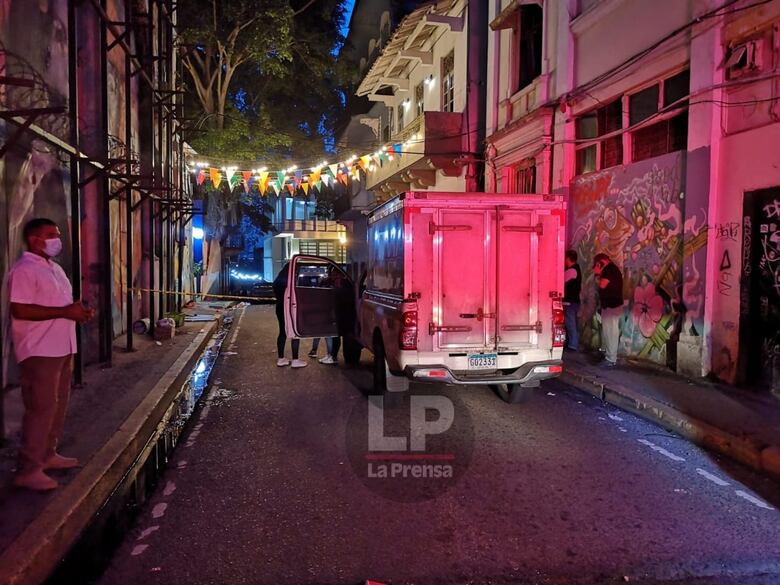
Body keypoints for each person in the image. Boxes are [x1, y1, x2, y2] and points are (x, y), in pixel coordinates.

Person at [8, 218, 95, 491]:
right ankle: (28, 468)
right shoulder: (23, 270)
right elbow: (20, 310)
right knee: (41, 408)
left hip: (62, 346)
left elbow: (63, 305)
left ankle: (47, 454)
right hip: (39, 350)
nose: (57, 240)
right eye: (50, 235)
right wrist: (65, 312)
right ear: (34, 239)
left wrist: (79, 312)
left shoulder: (54, 269)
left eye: (57, 235)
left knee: (57, 405)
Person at [592, 252, 624, 367]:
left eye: (596, 265)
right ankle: (609, 356)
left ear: (601, 263)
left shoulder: (609, 270)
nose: (594, 268)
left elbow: (602, 285)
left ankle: (611, 359)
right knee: (609, 332)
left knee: (610, 333)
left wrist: (597, 275)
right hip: (611, 306)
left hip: (612, 306)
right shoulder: (612, 269)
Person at [272, 263, 306, 368]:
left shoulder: (279, 279)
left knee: (282, 332)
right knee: (294, 332)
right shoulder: (291, 280)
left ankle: (281, 359)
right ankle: (295, 360)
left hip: (280, 307)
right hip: (290, 308)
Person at [563, 250, 582, 351]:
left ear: (568, 258)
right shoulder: (575, 269)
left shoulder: (572, 270)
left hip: (570, 302)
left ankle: (572, 345)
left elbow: (561, 280)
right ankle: (571, 343)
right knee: (570, 324)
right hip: (572, 302)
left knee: (571, 324)